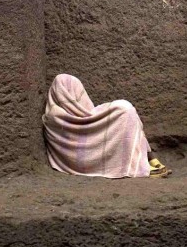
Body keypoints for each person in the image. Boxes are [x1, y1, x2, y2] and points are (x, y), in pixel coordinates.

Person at [42, 73, 171, 178]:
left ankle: (148, 158)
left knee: (126, 111)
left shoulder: (65, 111)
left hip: (89, 134)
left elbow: (88, 113)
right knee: (124, 110)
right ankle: (141, 163)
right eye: (69, 92)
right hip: (82, 157)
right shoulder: (54, 116)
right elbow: (70, 138)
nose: (74, 97)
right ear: (60, 93)